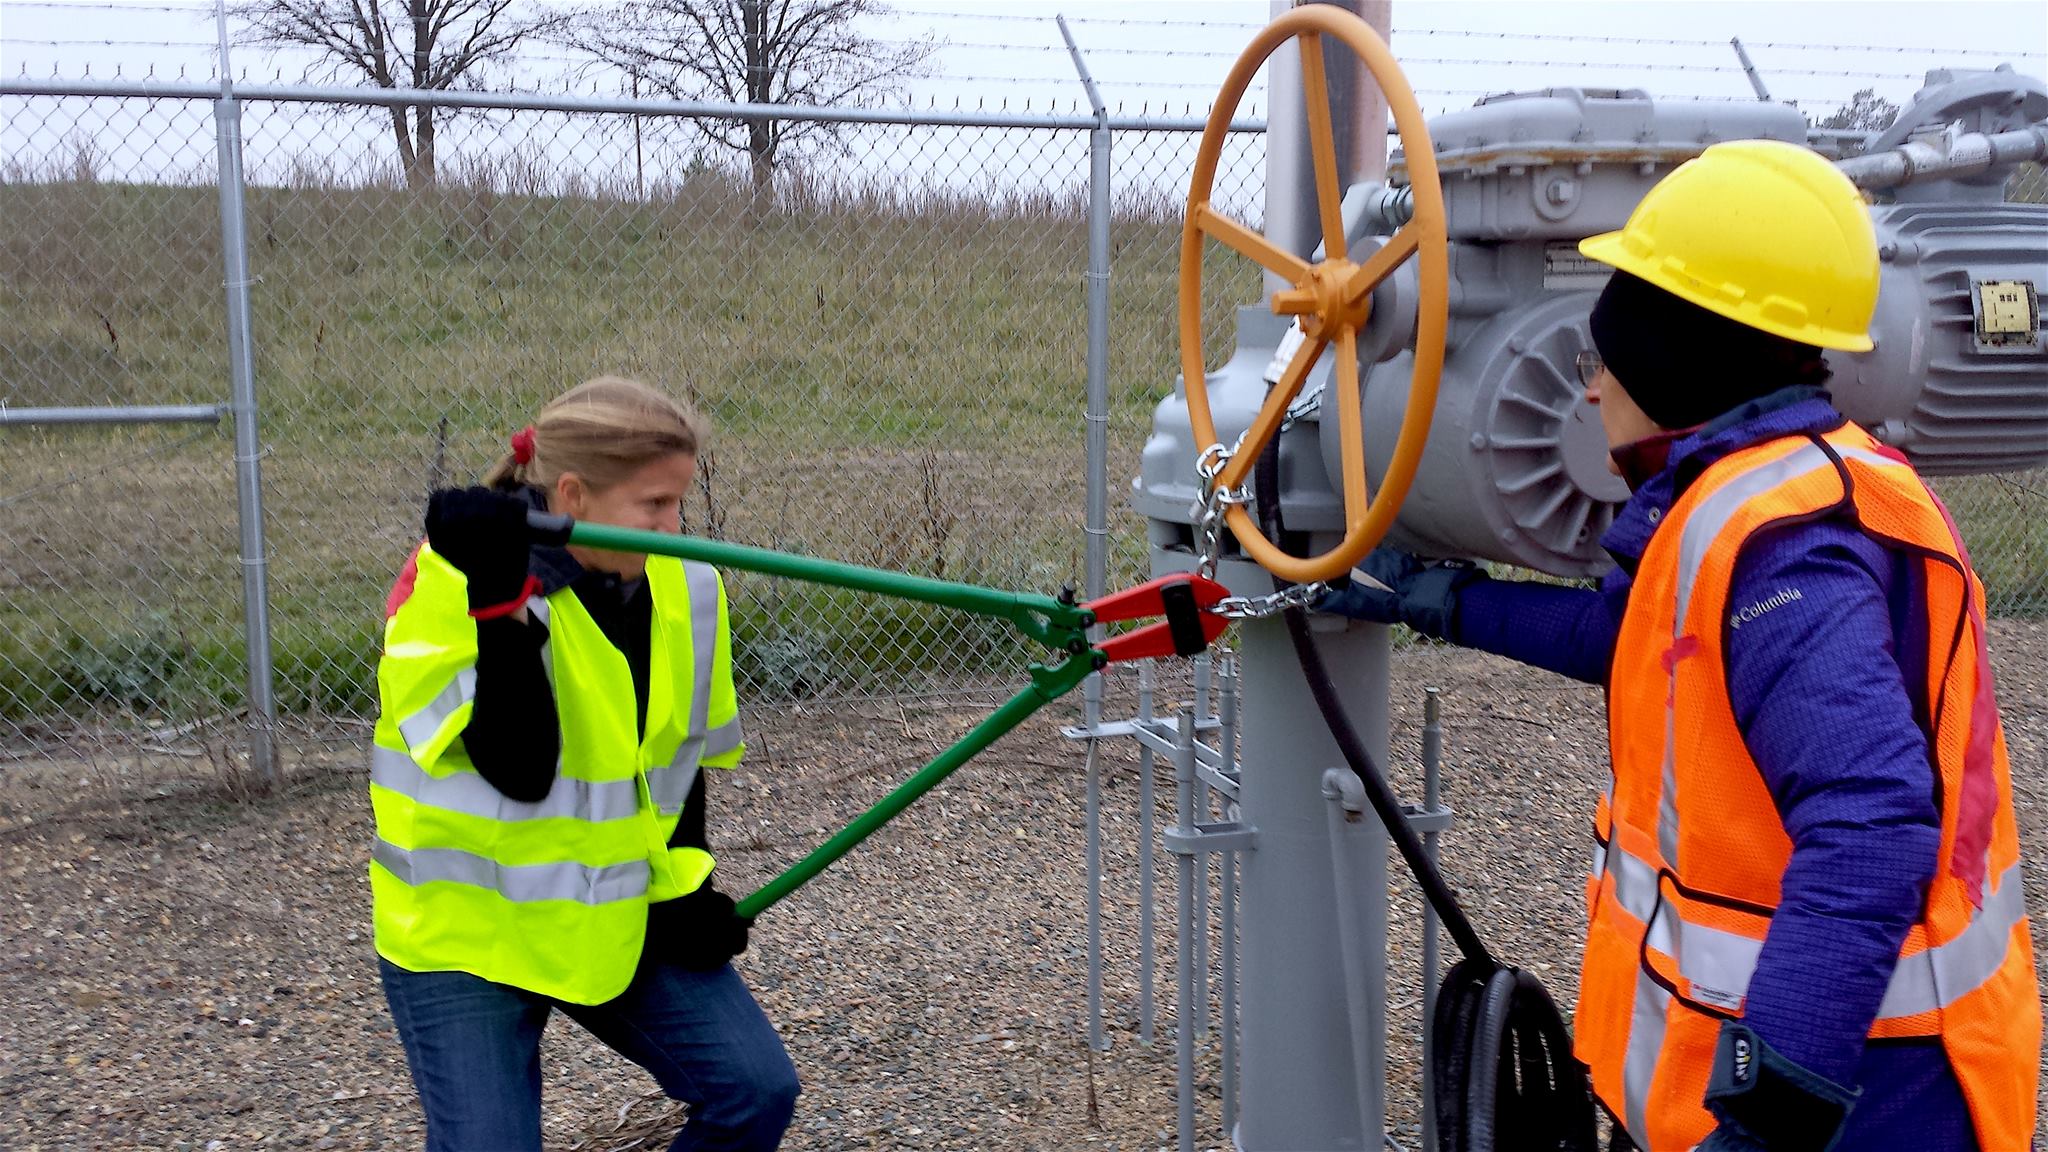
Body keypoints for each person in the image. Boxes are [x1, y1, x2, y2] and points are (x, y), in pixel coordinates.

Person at [1320, 140, 2036, 1151]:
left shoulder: (1789, 552)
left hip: (1867, 1092)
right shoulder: (1759, 491)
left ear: (1669, 359)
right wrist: (1441, 600)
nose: (1586, 390)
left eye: (1596, 360)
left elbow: (1867, 831)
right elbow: (1635, 637)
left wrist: (1765, 1115)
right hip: (1828, 1064)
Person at [370, 375, 800, 1152]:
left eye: (679, 501)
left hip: (607, 914)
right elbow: (520, 768)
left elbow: (676, 762)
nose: (676, 525)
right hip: (470, 934)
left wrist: (686, 885)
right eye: (654, 505)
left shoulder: (686, 585)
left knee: (755, 1089)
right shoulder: (451, 580)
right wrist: (500, 608)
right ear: (572, 493)